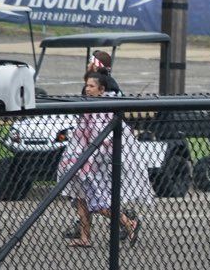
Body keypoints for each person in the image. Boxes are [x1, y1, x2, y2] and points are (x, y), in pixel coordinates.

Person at [58, 74, 146, 248]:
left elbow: (101, 138)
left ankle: (128, 223)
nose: (87, 89)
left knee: (97, 203)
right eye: (87, 85)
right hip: (81, 161)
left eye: (91, 86)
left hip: (94, 164)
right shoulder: (88, 106)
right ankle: (85, 237)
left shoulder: (102, 109)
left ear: (101, 90)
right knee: (81, 200)